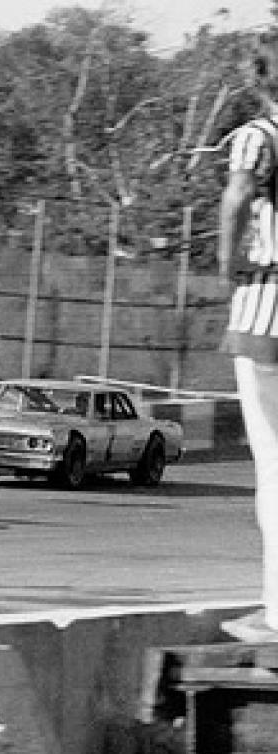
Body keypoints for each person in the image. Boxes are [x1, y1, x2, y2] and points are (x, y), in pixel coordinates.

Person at [218, 33, 278, 639]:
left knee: (274, 464)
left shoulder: (259, 136)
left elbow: (237, 196)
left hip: (268, 311)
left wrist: (225, 261)